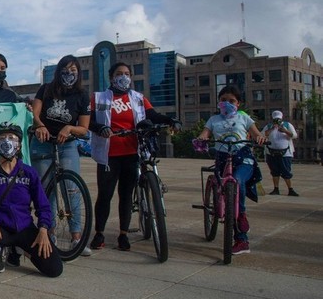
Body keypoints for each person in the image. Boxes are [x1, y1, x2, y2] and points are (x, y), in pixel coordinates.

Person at [88, 62, 179, 252]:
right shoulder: (98, 98)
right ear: (111, 77)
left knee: (126, 195)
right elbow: (89, 120)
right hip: (108, 155)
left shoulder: (138, 98)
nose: (124, 77)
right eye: (119, 73)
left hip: (131, 154)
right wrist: (100, 128)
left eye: (127, 73)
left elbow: (152, 115)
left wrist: (170, 120)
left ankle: (123, 234)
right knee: (105, 195)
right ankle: (99, 233)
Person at [0, 123, 63, 277]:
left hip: (25, 228)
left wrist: (44, 229)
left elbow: (43, 205)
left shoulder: (29, 172)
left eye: (12, 137)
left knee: (54, 269)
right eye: (2, 138)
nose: (7, 141)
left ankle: (18, 249)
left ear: (19, 144)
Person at [31, 55, 92, 257]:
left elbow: (84, 128)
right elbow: (34, 114)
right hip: (43, 144)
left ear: (78, 73)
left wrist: (70, 128)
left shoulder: (82, 95)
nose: (69, 74)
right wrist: (40, 126)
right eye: (65, 70)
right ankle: (49, 232)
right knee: (46, 190)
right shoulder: (46, 89)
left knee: (71, 189)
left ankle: (76, 236)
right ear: (58, 72)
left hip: (67, 145)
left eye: (73, 70)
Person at [196, 85, 266, 255]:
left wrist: (260, 138)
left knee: (237, 181)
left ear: (238, 103)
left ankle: (241, 228)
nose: (227, 103)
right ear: (218, 102)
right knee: (227, 193)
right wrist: (202, 138)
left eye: (231, 101)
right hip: (223, 160)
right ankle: (236, 228)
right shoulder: (213, 120)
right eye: (223, 100)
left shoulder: (244, 117)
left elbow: (256, 133)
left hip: (243, 159)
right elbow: (205, 133)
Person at [262, 111, 299, 196]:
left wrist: (285, 131)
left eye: (278, 119)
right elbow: (262, 134)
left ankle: (290, 189)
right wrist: (272, 128)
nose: (277, 121)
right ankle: (276, 188)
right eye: (275, 120)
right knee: (274, 171)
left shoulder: (287, 125)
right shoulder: (268, 126)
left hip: (285, 153)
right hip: (271, 153)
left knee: (286, 171)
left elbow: (294, 135)